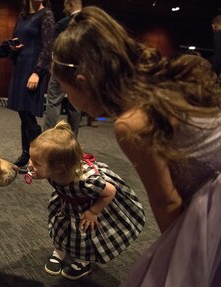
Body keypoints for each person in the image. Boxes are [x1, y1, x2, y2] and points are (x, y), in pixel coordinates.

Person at [52, 6, 221, 286]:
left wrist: (178, 258)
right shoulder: (160, 81)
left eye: (67, 91)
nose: (68, 99)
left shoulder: (132, 122)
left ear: (83, 82)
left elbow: (167, 201)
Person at [25, 121, 145, 280]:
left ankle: (83, 261)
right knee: (60, 227)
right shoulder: (53, 172)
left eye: (35, 162)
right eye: (30, 158)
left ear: (59, 168)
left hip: (89, 206)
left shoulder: (86, 180)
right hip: (67, 203)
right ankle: (59, 251)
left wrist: (93, 212)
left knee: (84, 234)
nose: (29, 165)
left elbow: (110, 191)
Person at [0, 0, 55, 173]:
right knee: (23, 113)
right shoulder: (22, 16)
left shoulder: (46, 15)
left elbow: (47, 47)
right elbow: (18, 39)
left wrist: (38, 72)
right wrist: (13, 47)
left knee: (28, 114)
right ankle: (26, 153)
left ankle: (39, 157)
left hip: (32, 69)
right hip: (20, 66)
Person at [44, 0, 82, 137]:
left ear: (70, 4)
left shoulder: (63, 23)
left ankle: (49, 139)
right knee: (76, 105)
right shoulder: (91, 23)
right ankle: (72, 141)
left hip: (61, 67)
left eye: (65, 6)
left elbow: (54, 48)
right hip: (81, 70)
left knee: (53, 102)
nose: (64, 9)